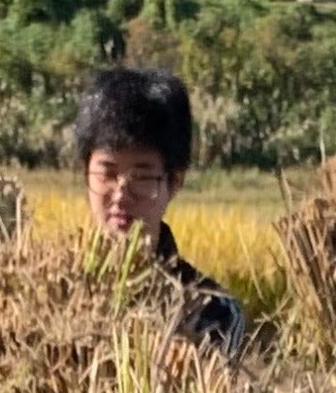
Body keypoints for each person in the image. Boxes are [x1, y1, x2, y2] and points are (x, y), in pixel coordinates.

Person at [70, 64, 244, 361]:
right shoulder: (54, 294)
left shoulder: (214, 310)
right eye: (107, 173)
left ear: (174, 182)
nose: (121, 193)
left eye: (141, 177)